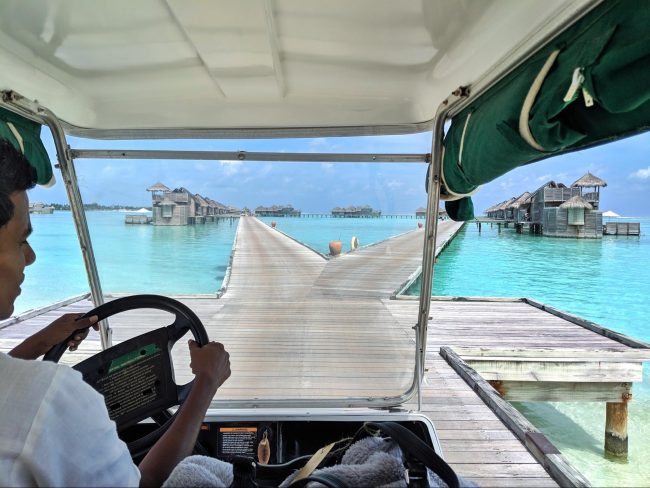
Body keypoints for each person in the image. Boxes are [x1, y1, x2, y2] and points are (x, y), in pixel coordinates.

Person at [0, 137, 231, 487]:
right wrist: (205, 384)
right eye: (21, 240)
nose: (30, 257)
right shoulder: (48, 399)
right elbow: (145, 481)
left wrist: (43, 340)